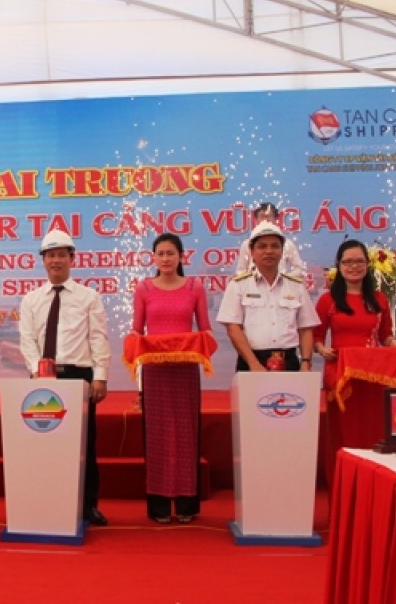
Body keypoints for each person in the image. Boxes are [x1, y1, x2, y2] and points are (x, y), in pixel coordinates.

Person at [18, 230, 111, 526]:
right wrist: (36, 371)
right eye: (50, 255)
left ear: (72, 259)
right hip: (42, 378)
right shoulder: (31, 299)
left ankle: (87, 505)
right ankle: (46, 500)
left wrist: (100, 377)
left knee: (86, 443)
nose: (55, 260)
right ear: (43, 261)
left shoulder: (89, 297)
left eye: (61, 254)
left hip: (78, 375)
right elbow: (27, 340)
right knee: (44, 442)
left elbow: (98, 338)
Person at [130, 233, 211, 524]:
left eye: (170, 253)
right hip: (155, 371)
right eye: (160, 253)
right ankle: (159, 504)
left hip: (185, 370)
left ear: (181, 257)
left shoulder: (195, 287)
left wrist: (190, 344)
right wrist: (134, 344)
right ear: (153, 258)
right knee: (158, 436)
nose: (165, 258)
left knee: (186, 434)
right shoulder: (144, 288)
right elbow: (137, 330)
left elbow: (206, 331)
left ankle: (188, 503)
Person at [314, 239, 396, 483]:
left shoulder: (379, 299)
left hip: (372, 380)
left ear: (367, 265)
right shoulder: (327, 301)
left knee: (373, 436)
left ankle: (373, 493)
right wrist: (322, 349)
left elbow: (386, 337)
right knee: (344, 438)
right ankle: (343, 499)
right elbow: (316, 338)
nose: (353, 266)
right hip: (341, 379)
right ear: (339, 266)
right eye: (347, 262)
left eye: (359, 261)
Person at [217, 221, 319, 372]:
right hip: (251, 362)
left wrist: (305, 362)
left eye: (275, 246)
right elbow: (233, 328)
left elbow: (305, 328)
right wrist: (253, 363)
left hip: (290, 362)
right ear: (251, 252)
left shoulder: (296, 286)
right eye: (262, 246)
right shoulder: (238, 285)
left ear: (282, 250)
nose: (269, 251)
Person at [233, 203, 306, 278]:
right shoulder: (247, 243)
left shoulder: (287, 244)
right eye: (261, 217)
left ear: (276, 219)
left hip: (280, 286)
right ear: (256, 220)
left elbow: (299, 269)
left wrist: (284, 279)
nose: (265, 220)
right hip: (253, 286)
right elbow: (240, 271)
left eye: (268, 217)